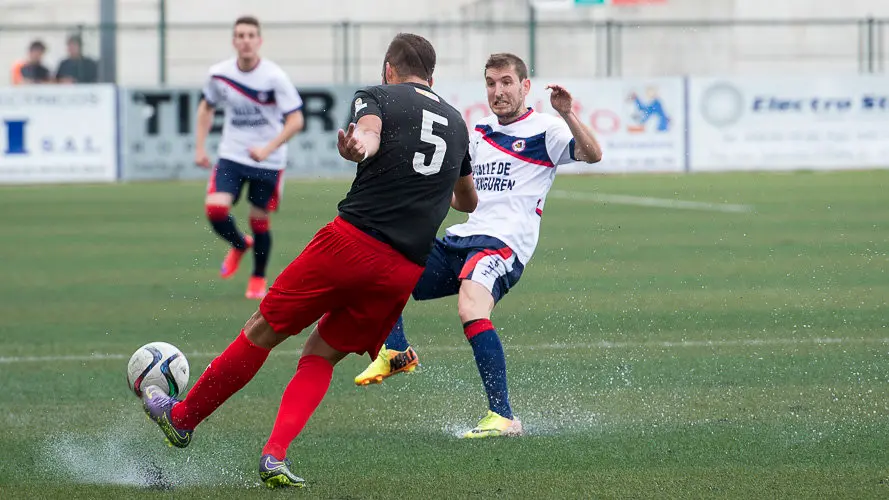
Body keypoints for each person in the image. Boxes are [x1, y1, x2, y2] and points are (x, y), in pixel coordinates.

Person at [142, 32, 478, 488]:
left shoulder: (378, 95)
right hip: (402, 270)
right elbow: (467, 201)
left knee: (263, 329)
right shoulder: (457, 123)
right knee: (321, 353)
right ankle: (274, 456)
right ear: (431, 78)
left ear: (389, 70)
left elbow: (368, 135)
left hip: (350, 244)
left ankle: (182, 420)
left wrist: (361, 147)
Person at [354, 52, 603, 439]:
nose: (497, 91)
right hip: (465, 238)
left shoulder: (545, 129)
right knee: (387, 261)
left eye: (506, 82)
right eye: (490, 83)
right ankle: (397, 351)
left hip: (503, 245)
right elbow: (463, 198)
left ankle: (503, 417)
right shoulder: (479, 133)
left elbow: (592, 154)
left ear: (525, 87)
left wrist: (567, 113)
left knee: (471, 306)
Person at [197, 16, 305, 299]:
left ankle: (258, 277)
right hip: (232, 154)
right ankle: (239, 244)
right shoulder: (219, 74)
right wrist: (199, 148)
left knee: (259, 220)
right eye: (240, 35)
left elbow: (296, 120)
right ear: (234, 41)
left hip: (268, 160)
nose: (245, 40)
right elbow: (206, 107)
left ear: (259, 41)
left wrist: (267, 149)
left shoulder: (274, 77)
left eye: (250, 35)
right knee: (215, 210)